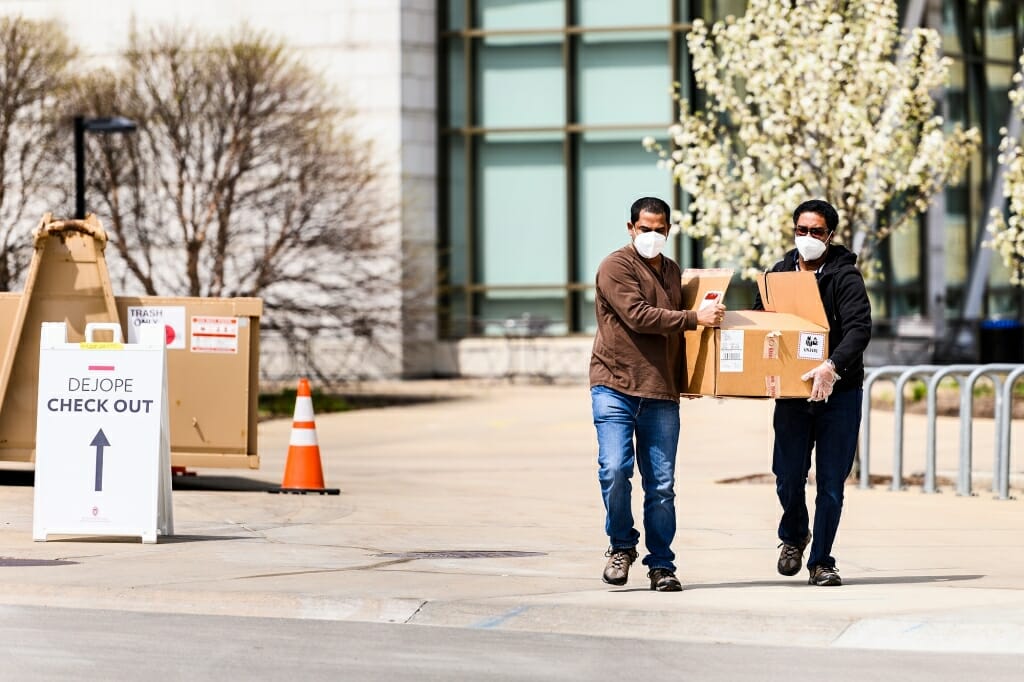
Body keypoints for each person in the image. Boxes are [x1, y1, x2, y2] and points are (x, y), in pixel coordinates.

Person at [590, 196, 725, 592]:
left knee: (661, 486)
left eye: (659, 229)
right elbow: (639, 316)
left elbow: (682, 340)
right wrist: (693, 318)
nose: (652, 235)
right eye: (644, 228)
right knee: (614, 470)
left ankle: (662, 565)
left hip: (661, 392)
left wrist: (692, 380)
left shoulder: (672, 271)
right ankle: (621, 545)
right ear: (631, 228)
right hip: (615, 385)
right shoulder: (615, 266)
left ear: (668, 231)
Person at [754, 198, 872, 586]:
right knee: (787, 476)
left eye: (816, 232)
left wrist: (832, 366)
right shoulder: (779, 274)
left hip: (839, 391)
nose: (807, 237)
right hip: (793, 394)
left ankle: (822, 560)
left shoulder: (845, 276)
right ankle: (794, 534)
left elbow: (859, 329)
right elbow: (760, 322)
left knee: (832, 484)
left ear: (830, 235)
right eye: (801, 230)